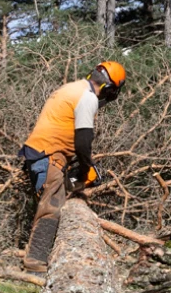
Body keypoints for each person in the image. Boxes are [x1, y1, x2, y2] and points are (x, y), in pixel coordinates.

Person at [19, 60, 126, 271]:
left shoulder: (73, 88)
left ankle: (43, 254)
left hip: (40, 153)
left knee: (64, 187)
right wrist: (88, 168)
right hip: (48, 157)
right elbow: (83, 142)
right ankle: (35, 263)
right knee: (52, 207)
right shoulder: (87, 98)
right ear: (109, 88)